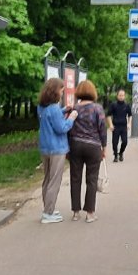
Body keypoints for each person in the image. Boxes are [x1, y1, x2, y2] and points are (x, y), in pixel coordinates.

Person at [37, 77, 78, 224]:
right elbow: (62, 128)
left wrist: (63, 110)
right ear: (55, 91)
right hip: (57, 149)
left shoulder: (42, 107)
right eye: (61, 90)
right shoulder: (54, 108)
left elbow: (49, 117)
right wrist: (71, 117)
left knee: (47, 179)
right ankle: (48, 213)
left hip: (45, 148)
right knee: (54, 181)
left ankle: (48, 208)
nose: (62, 93)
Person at [68, 80, 107, 223]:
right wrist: (104, 147)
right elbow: (102, 128)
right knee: (91, 179)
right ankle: (90, 213)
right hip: (93, 146)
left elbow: (69, 127)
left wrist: (69, 147)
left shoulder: (74, 108)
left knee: (75, 178)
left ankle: (75, 213)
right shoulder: (97, 108)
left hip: (76, 145)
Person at [106, 88, 131, 162]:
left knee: (125, 142)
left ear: (124, 96)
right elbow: (108, 115)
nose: (121, 97)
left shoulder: (127, 105)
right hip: (115, 126)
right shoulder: (113, 105)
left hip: (124, 126)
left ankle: (121, 153)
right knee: (115, 142)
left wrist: (129, 123)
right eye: (120, 95)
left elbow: (130, 115)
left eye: (123, 95)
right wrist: (110, 124)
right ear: (117, 96)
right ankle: (115, 156)